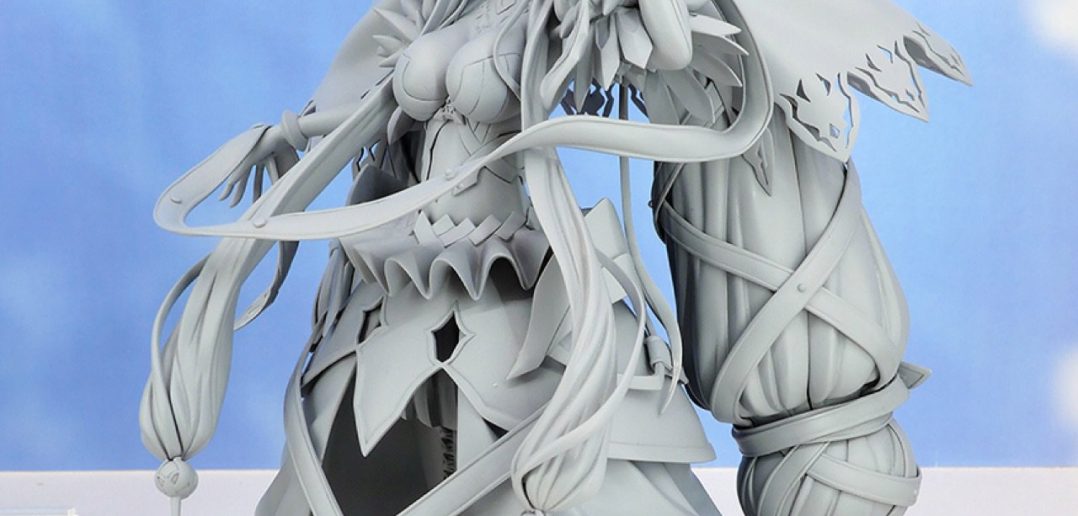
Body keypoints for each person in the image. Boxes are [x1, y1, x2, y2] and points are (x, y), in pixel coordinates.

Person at [141, 1, 970, 514]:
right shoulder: (433, 12)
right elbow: (367, 93)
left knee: (549, 447)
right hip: (401, 267)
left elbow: (670, 44)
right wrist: (291, 138)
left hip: (515, 287)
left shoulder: (562, 16)